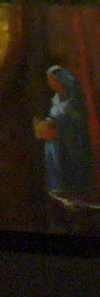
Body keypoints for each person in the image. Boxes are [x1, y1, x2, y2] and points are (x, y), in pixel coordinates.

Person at [35, 64, 96, 215]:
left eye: (52, 80)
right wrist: (47, 123)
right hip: (55, 144)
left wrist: (58, 124)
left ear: (60, 81)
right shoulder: (56, 99)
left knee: (71, 175)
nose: (50, 83)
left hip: (71, 144)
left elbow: (76, 122)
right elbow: (54, 116)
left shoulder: (74, 100)